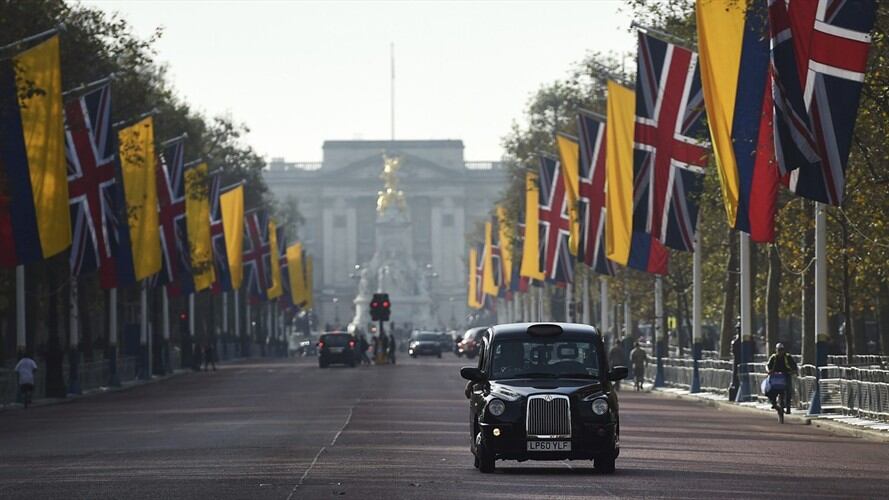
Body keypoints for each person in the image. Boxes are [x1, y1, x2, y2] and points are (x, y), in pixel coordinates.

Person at [767, 342, 798, 414]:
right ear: (776, 350)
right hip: (775, 377)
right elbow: (768, 365)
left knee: (788, 391)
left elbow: (794, 365)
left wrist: (793, 371)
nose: (780, 352)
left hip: (786, 376)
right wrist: (769, 371)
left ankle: (788, 407)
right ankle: (774, 403)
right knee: (770, 390)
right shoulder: (773, 357)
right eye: (779, 350)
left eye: (781, 350)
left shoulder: (788, 357)